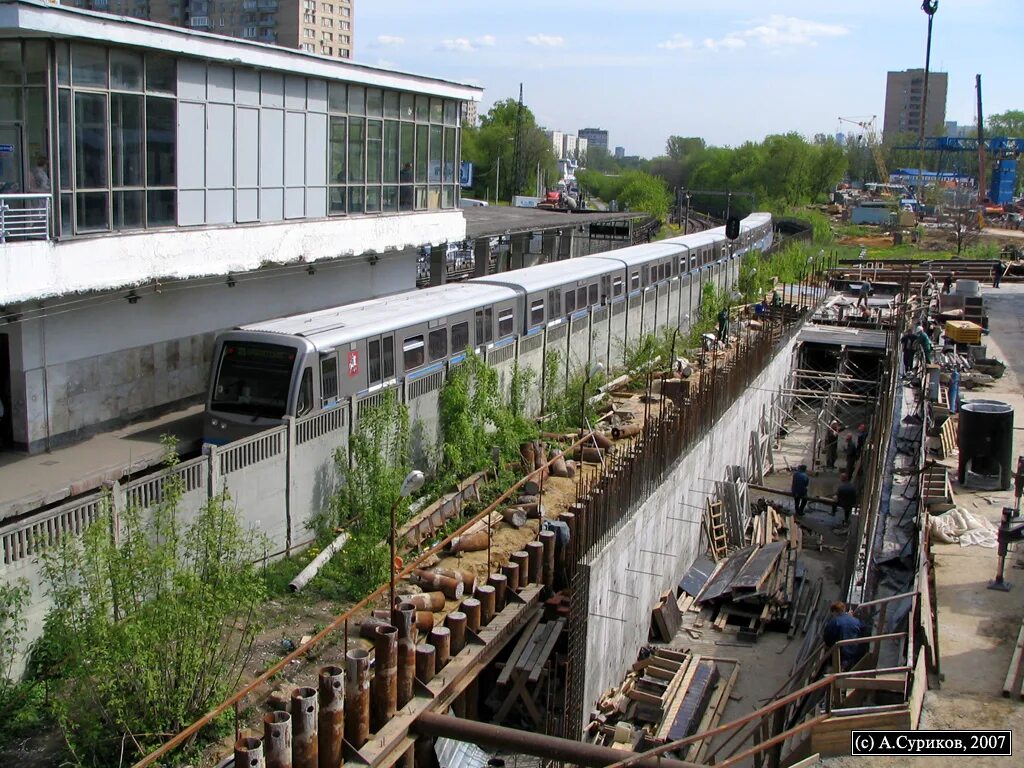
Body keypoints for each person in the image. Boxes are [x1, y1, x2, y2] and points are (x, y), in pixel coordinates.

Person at [823, 601, 868, 671]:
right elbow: (864, 629)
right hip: (853, 652)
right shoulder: (856, 621)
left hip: (840, 653)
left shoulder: (834, 621)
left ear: (834, 611)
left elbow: (827, 637)